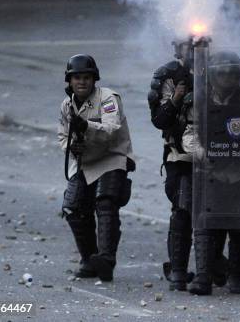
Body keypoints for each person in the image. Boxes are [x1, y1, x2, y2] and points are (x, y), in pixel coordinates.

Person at [148, 35, 226, 291]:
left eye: (200, 46)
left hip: (219, 155)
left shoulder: (219, 71)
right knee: (183, 210)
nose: (194, 51)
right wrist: (176, 97)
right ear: (178, 48)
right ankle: (179, 271)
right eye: (189, 45)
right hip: (180, 156)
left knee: (216, 213)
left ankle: (212, 267)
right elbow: (160, 120)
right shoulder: (169, 76)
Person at [184, 51, 240, 296]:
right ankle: (204, 276)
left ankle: (237, 276)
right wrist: (200, 153)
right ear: (211, 74)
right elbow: (189, 132)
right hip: (210, 171)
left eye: (233, 72)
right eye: (222, 72)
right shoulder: (198, 99)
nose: (228, 77)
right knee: (208, 226)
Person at [58, 54, 135, 282]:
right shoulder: (66, 106)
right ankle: (90, 260)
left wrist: (87, 126)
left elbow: (111, 129)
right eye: (77, 78)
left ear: (94, 79)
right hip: (84, 162)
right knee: (73, 208)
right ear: (69, 82)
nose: (82, 82)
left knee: (106, 202)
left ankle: (106, 259)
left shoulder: (108, 98)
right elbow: (62, 137)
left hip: (111, 158)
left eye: (86, 77)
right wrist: (73, 146)